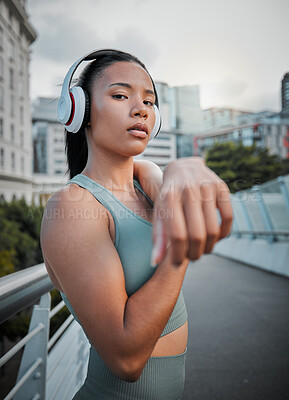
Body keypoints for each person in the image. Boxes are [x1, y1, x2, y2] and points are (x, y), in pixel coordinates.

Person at [40, 49, 232, 399]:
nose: (141, 109)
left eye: (149, 101)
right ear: (79, 110)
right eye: (120, 95)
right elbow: (126, 361)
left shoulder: (144, 182)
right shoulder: (72, 206)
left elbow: (161, 178)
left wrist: (174, 170)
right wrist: (179, 243)